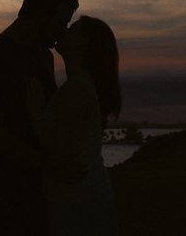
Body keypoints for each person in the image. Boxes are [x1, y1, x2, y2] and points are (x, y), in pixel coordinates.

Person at [0, 0, 80, 236]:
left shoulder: (43, 55)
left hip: (36, 187)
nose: (62, 32)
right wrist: (48, 164)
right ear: (41, 15)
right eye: (61, 22)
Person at [27, 16, 121, 236]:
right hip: (85, 185)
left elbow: (57, 148)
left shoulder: (76, 90)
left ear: (84, 42)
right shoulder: (84, 86)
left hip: (76, 190)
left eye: (73, 29)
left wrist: (35, 113)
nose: (64, 30)